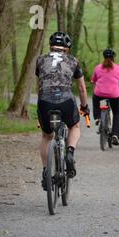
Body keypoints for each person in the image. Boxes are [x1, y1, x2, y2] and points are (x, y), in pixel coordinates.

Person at [36, 32, 89, 190]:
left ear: (50, 47)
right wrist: (84, 107)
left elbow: (40, 82)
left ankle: (46, 171)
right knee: (74, 126)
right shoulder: (73, 60)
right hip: (66, 100)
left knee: (47, 135)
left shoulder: (40, 59)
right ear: (67, 48)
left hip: (44, 100)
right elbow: (81, 88)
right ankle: (70, 153)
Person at [91, 48, 119, 146]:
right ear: (113, 57)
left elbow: (93, 80)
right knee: (116, 114)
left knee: (96, 100)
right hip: (114, 96)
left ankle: (98, 118)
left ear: (104, 57)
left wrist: (95, 82)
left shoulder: (98, 67)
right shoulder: (118, 68)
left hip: (100, 95)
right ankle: (115, 135)